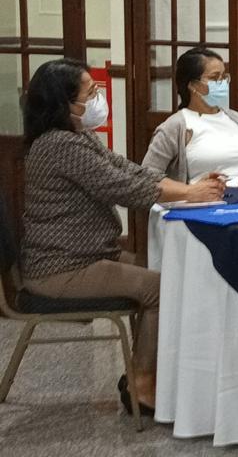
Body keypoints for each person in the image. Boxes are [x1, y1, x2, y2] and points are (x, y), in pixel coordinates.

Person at [19, 59, 226, 414]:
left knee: (164, 271)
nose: (98, 99)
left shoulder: (78, 136)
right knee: (159, 288)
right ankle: (141, 383)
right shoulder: (59, 146)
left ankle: (144, 370)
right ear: (65, 103)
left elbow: (130, 171)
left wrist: (187, 188)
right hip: (60, 267)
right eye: (90, 93)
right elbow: (124, 188)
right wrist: (189, 193)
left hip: (88, 256)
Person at [142, 47, 238, 183]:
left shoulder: (236, 119)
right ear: (192, 85)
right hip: (203, 195)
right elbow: (147, 178)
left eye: (224, 77)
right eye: (214, 78)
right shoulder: (175, 126)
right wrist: (188, 191)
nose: (222, 83)